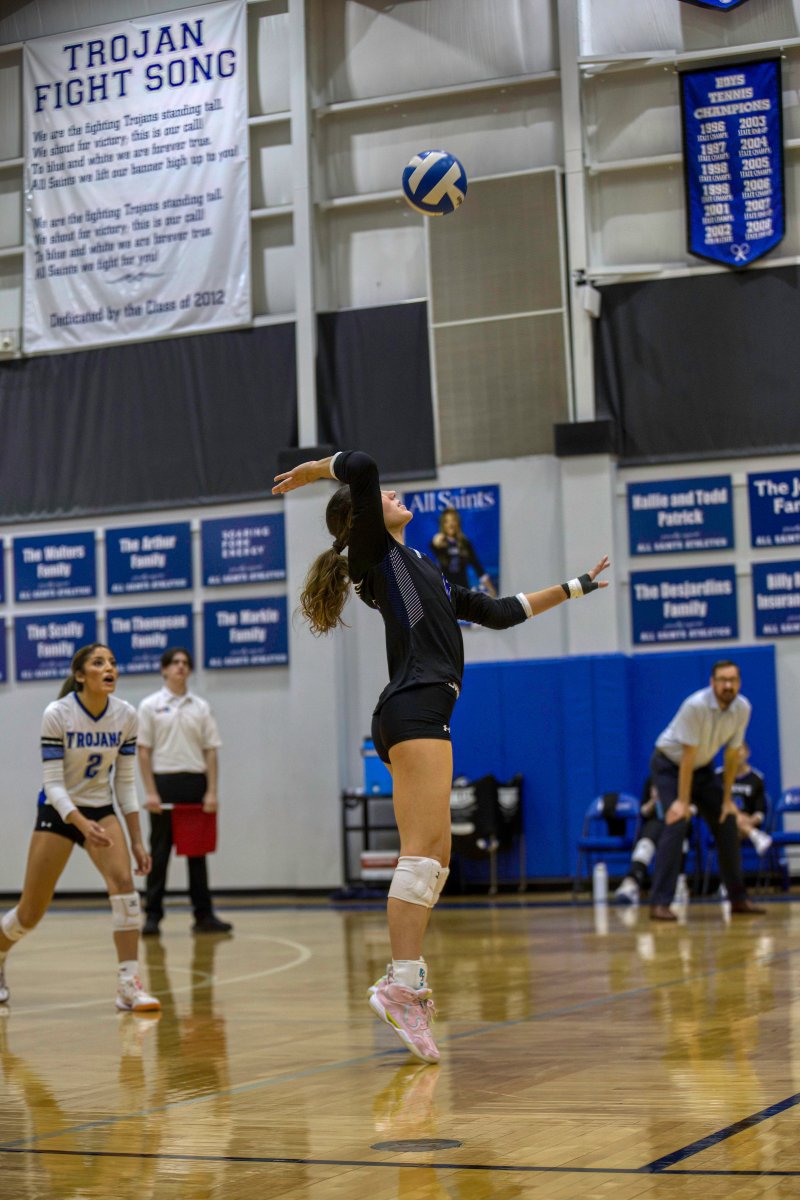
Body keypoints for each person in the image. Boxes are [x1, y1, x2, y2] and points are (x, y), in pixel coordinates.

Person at [273, 449, 609, 1063]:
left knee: (435, 860)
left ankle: (403, 982)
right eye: (384, 497)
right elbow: (363, 466)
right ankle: (402, 987)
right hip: (414, 709)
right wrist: (318, 472)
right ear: (361, 518)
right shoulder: (374, 554)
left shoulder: (418, 566)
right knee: (422, 856)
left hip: (423, 711)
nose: (395, 495)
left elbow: (499, 612)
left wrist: (575, 587)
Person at [0, 643, 159, 1013]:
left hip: (100, 809)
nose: (109, 668)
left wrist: (137, 840)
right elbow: (53, 784)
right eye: (99, 663)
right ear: (80, 675)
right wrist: (80, 822)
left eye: (113, 662)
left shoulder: (126, 716)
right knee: (30, 913)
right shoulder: (58, 714)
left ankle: (128, 986)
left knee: (125, 886)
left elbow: (125, 784)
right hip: (58, 811)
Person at [647, 660, 765, 921]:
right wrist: (682, 802)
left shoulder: (742, 708)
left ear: (739, 683)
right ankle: (660, 902)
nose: (727, 685)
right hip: (670, 765)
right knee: (676, 822)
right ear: (712, 683)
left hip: (703, 768)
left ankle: (738, 899)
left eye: (732, 680)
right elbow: (687, 756)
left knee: (728, 821)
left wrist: (727, 800)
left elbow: (732, 755)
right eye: (722, 680)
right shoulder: (696, 706)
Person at [138, 647, 232, 937]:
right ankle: (152, 916)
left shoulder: (201, 707)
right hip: (164, 783)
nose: (180, 666)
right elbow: (143, 752)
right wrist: (151, 792)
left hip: (195, 783)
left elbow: (210, 751)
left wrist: (211, 792)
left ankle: (204, 916)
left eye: (185, 663)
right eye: (175, 662)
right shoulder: (149, 706)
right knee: (160, 853)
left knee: (197, 853)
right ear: (164, 669)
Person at [429, 507, 496, 595]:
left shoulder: (465, 543)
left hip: (463, 589)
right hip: (445, 591)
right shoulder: (439, 543)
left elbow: (477, 567)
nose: (450, 524)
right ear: (442, 524)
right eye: (446, 521)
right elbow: (430, 556)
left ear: (458, 522)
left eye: (453, 520)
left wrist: (491, 589)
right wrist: (435, 542)